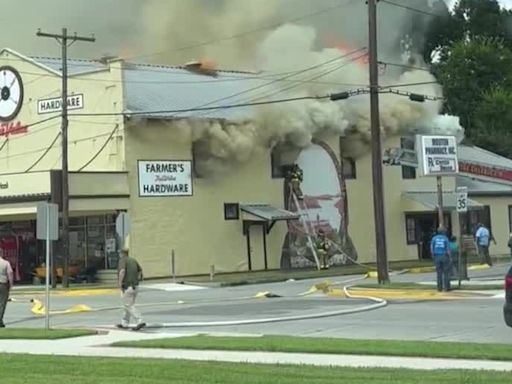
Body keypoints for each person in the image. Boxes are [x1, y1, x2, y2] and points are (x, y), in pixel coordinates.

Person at [117, 247, 146, 331]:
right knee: (127, 305)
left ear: (122, 253)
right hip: (135, 286)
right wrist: (135, 278)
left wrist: (119, 283)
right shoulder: (133, 260)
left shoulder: (123, 260)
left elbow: (122, 271)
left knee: (128, 305)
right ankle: (124, 323)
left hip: (127, 286)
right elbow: (140, 271)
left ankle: (140, 321)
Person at [430, 227, 451, 292]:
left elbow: (431, 248)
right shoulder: (445, 238)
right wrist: (450, 257)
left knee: (439, 273)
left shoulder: (434, 238)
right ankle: (446, 287)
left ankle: (439, 288)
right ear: (443, 232)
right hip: (444, 256)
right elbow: (448, 249)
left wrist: (433, 255)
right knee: (446, 272)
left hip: (437, 256)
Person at [0, 249, 14, 328]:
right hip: (3, 284)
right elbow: (10, 273)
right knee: (2, 303)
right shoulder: (5, 263)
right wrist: (11, 284)